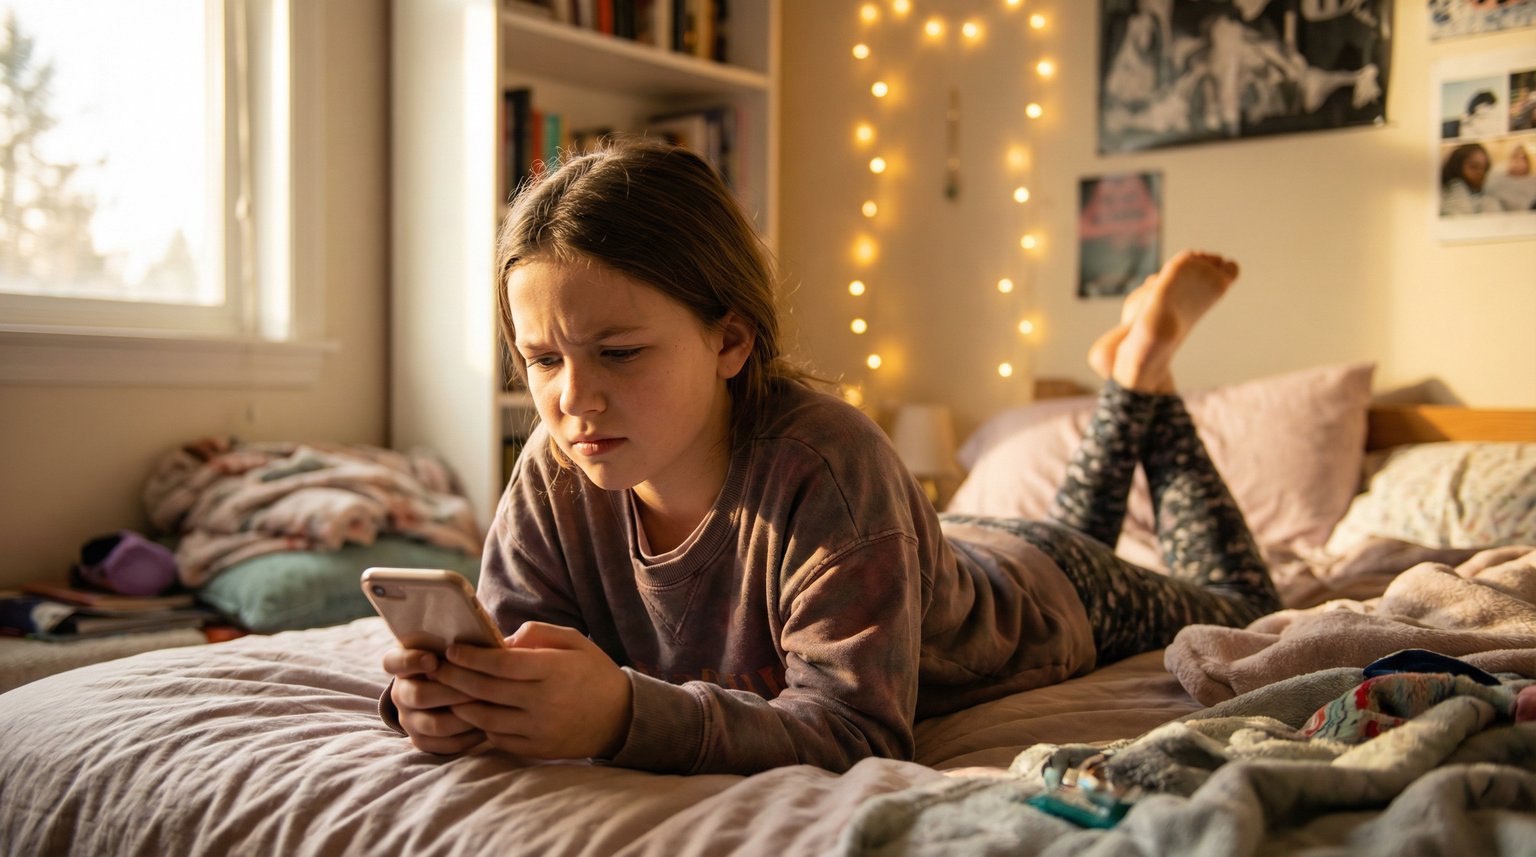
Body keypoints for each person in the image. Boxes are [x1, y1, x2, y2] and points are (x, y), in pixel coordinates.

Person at [378, 137, 1281, 776]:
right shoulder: (556, 462)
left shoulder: (828, 458)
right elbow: (517, 644)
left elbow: (856, 730)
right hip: (923, 548)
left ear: (730, 342)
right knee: (1063, 515)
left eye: (619, 352)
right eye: (542, 360)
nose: (573, 398)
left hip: (1041, 590)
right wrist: (449, 698)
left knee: (1250, 607)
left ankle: (1144, 379)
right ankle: (1130, 375)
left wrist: (622, 713)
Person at [1440, 142, 1506, 215]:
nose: (1480, 173)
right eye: (1474, 167)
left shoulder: (1489, 197)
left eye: (1485, 168)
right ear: (1457, 166)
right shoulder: (1453, 191)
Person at [1488, 143, 1536, 212]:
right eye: (1515, 157)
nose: (1518, 161)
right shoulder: (1499, 181)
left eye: (1522, 158)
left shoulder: (1533, 181)